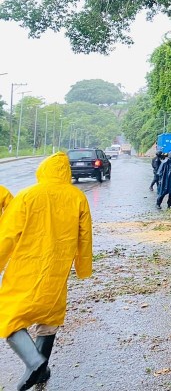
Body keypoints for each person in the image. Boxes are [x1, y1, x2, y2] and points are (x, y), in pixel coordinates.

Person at [0, 152, 92, 390]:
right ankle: (41, 371)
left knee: (9, 316)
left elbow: (7, 236)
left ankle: (34, 362)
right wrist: (82, 267)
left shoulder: (28, 196)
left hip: (26, 268)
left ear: (43, 170)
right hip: (58, 269)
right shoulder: (78, 197)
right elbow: (85, 237)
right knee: (49, 318)